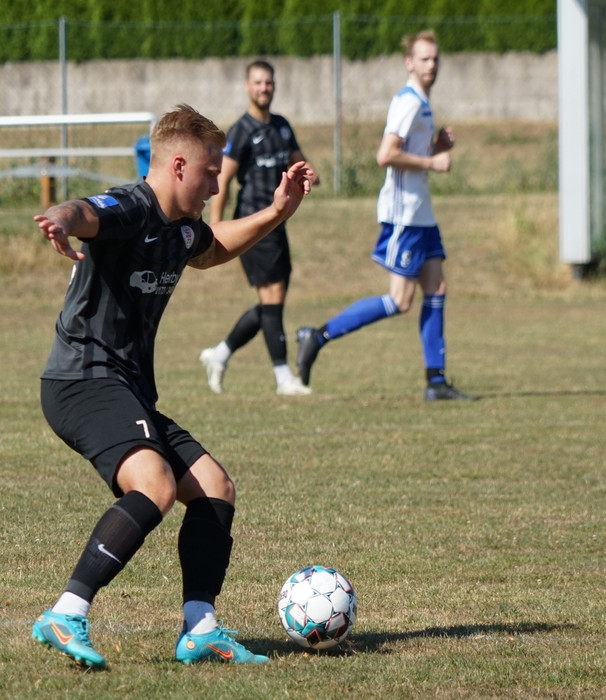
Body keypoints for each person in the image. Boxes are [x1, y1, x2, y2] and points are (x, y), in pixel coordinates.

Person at [31, 104, 313, 668]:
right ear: (179, 166)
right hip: (82, 379)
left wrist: (277, 211)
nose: (217, 185)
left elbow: (213, 248)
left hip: (125, 387)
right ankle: (66, 612)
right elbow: (85, 211)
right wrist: (60, 218)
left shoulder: (179, 228)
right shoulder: (131, 207)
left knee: (214, 488)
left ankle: (200, 628)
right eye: (210, 173)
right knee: (155, 485)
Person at [295, 30, 475, 401]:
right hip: (404, 214)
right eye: (424, 59)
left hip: (421, 212)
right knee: (400, 300)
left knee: (436, 288)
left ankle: (436, 381)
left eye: (435, 59)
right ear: (409, 63)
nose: (432, 65)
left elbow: (410, 151)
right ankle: (318, 336)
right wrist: (433, 161)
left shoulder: (422, 101)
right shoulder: (408, 101)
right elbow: (386, 154)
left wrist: (435, 146)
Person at [200, 60, 319, 396]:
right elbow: (223, 180)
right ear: (247, 86)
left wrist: (311, 174)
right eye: (258, 82)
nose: (264, 88)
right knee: (273, 296)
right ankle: (283, 377)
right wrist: (217, 226)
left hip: (278, 224)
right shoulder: (240, 131)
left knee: (272, 303)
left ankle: (220, 354)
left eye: (268, 82)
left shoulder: (281, 125)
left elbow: (299, 160)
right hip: (253, 222)